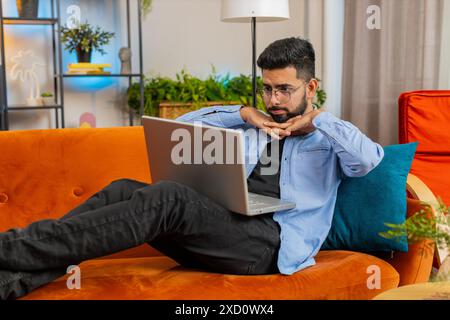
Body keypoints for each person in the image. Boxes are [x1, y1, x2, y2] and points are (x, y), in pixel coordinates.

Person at [0, 37, 384, 299]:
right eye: (266, 88)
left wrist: (319, 121)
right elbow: (182, 124)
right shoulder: (254, 129)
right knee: (121, 188)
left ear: (311, 86)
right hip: (227, 230)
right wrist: (241, 113)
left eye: (284, 89)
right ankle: (13, 280)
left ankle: (9, 247)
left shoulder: (330, 140)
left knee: (169, 197)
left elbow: (368, 159)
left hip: (271, 248)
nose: (274, 99)